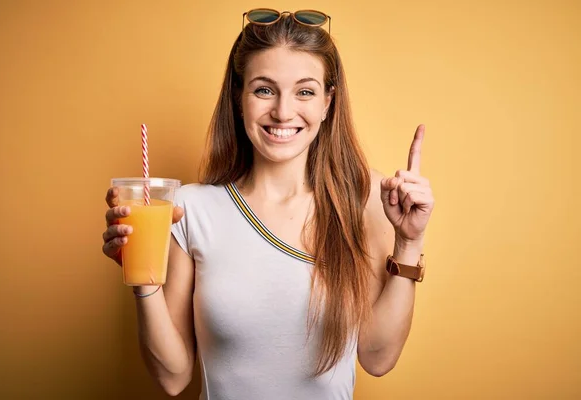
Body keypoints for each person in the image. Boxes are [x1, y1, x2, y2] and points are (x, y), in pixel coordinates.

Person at [102, 9, 434, 400]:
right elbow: (173, 377)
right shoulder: (189, 209)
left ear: (328, 102)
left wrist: (409, 241)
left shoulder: (366, 199)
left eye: (305, 91)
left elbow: (378, 358)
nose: (282, 111)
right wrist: (143, 278)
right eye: (264, 89)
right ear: (239, 98)